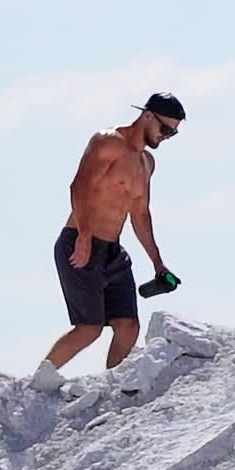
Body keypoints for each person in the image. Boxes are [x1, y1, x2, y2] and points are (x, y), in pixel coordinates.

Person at [31, 93, 186, 391]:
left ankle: (111, 389)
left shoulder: (147, 162)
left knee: (128, 326)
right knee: (89, 328)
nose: (167, 137)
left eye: (173, 133)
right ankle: (36, 385)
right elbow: (79, 186)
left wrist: (158, 263)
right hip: (79, 243)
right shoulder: (108, 142)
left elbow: (140, 214)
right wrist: (85, 236)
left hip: (113, 251)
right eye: (166, 129)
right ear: (148, 116)